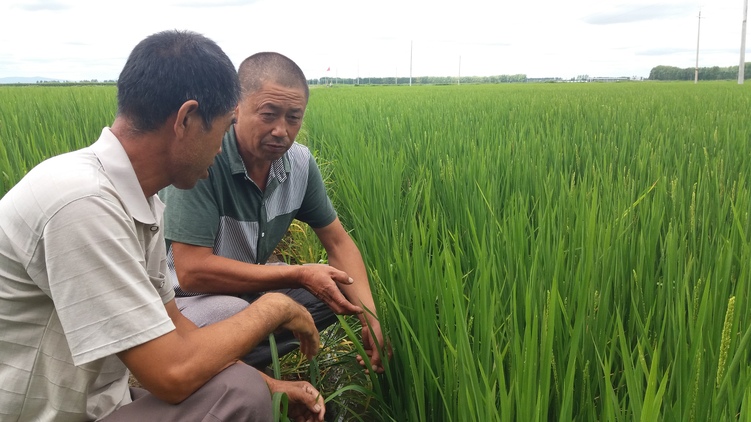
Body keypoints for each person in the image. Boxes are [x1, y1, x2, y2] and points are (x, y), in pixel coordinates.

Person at [0, 31, 325, 422]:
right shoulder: (82, 203)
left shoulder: (140, 201)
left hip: (103, 401)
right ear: (187, 119)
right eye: (222, 131)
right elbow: (171, 375)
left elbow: (178, 329)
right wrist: (274, 306)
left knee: (244, 388)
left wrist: (274, 387)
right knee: (240, 396)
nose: (222, 149)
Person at [159, 52, 389, 373]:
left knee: (337, 292)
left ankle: (239, 362)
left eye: (293, 117)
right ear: (236, 107)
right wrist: (296, 274)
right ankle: (226, 373)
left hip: (246, 289)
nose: (281, 130)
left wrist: (369, 315)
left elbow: (337, 243)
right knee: (234, 311)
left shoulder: (299, 164)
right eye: (269, 114)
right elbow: (192, 271)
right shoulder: (205, 158)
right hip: (183, 302)